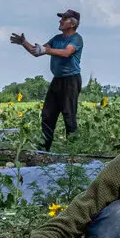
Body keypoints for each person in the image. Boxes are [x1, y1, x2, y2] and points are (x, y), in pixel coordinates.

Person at [11, 9, 83, 150]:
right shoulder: (56, 39)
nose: (60, 21)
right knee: (47, 114)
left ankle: (74, 150)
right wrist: (23, 42)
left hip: (71, 80)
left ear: (72, 24)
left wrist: (47, 50)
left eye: (64, 19)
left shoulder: (76, 39)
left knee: (69, 115)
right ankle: (44, 148)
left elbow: (67, 53)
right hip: (57, 80)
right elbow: (37, 51)